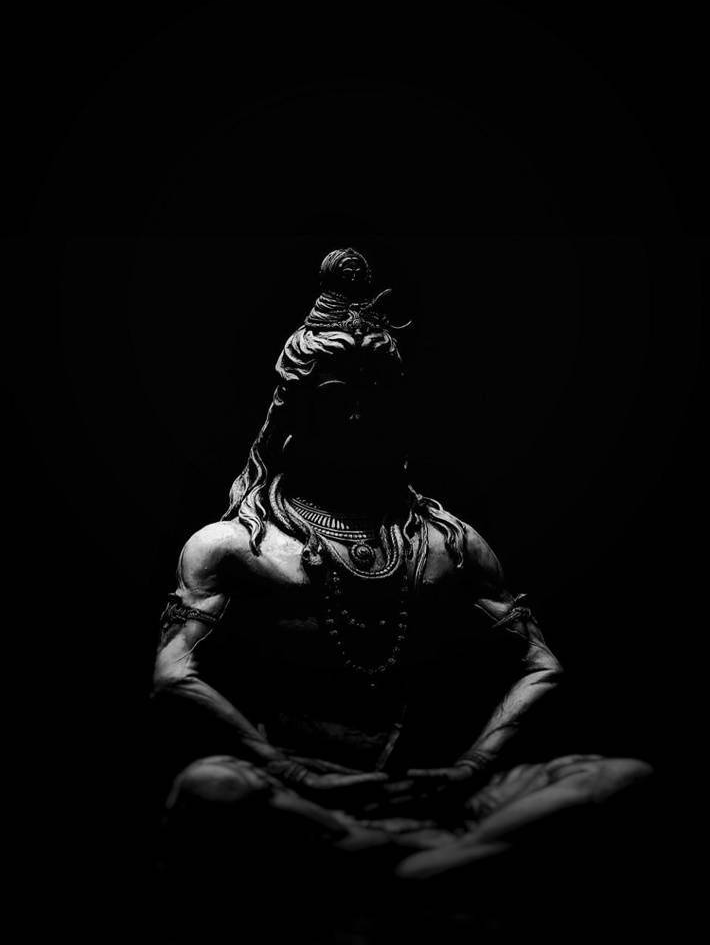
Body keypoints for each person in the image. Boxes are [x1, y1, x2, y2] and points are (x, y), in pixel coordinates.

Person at [151, 248, 652, 939]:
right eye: (337, 399)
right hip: (305, 793)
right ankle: (442, 870)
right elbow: (173, 675)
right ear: (296, 407)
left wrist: (470, 769)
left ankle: (402, 868)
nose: (358, 417)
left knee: (622, 779)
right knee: (211, 787)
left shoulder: (448, 543)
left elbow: (543, 665)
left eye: (375, 398)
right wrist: (288, 770)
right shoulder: (233, 546)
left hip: (440, 791)